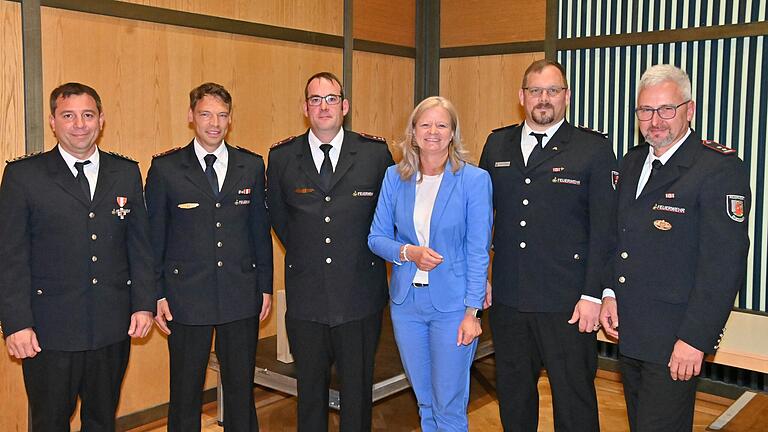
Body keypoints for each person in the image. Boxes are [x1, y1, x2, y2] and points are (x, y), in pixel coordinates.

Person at [599, 64, 751, 432]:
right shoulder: (632, 162)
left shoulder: (717, 168)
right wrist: (608, 293)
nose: (655, 121)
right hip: (632, 331)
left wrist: (695, 340)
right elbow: (621, 238)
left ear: (689, 110)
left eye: (667, 109)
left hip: (675, 340)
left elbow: (724, 265)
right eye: (645, 111)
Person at [0, 82, 155, 431]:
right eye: (68, 116)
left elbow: (139, 245)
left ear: (101, 120)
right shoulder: (24, 175)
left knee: (102, 420)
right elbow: (9, 256)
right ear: (53, 122)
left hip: (111, 326)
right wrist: (16, 323)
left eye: (87, 115)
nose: (79, 124)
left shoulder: (125, 172)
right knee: (50, 422)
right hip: (48, 331)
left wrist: (143, 303)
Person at [478, 59, 618, 431]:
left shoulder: (592, 148)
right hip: (509, 300)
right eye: (536, 91)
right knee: (513, 395)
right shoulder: (497, 143)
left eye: (553, 90)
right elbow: (481, 220)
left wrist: (593, 295)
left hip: (567, 303)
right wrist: (482, 278)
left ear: (566, 97)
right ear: (521, 97)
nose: (544, 99)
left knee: (574, 401)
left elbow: (605, 229)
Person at [266, 72, 393, 432]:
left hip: (360, 297)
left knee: (357, 395)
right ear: (304, 108)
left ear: (345, 106)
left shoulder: (373, 153)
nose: (324, 106)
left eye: (331, 98)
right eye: (315, 99)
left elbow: (385, 218)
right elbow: (279, 217)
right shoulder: (282, 157)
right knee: (309, 395)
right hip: (307, 298)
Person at [145, 82, 273, 432]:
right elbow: (153, 238)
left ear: (230, 120)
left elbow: (259, 232)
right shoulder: (166, 168)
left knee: (240, 388)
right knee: (185, 391)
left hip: (240, 292)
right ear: (191, 117)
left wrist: (265, 286)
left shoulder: (250, 165)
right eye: (206, 114)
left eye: (221, 115)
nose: (214, 123)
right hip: (185, 296)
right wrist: (155, 293)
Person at [368, 96, 492, 431]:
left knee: (448, 404)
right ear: (413, 131)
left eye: (441, 124)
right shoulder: (395, 177)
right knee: (424, 401)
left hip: (453, 308)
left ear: (453, 132)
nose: (433, 132)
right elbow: (376, 237)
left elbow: (478, 250)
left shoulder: (474, 180)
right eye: (425, 124)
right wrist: (409, 252)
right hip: (407, 304)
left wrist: (472, 312)